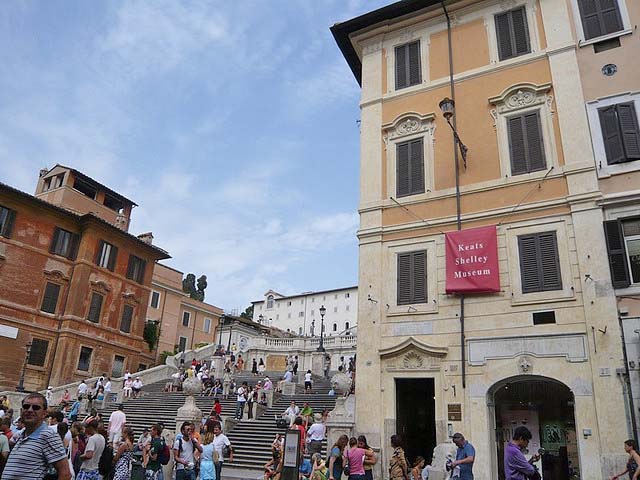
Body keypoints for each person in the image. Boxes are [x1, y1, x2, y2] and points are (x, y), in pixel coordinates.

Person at [2, 393, 71, 480]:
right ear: (21, 411)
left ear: (44, 413)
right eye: (26, 406)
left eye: (36, 407)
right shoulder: (21, 434)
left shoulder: (48, 435)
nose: (30, 410)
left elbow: (65, 474)